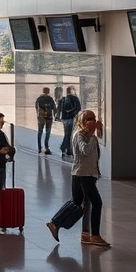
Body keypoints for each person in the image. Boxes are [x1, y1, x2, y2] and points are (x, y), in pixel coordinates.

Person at [46, 110, 109, 247]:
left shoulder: (88, 135)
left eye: (93, 119)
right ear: (83, 122)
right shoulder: (80, 135)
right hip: (83, 174)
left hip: (87, 174)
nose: (92, 122)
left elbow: (97, 150)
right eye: (89, 119)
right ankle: (95, 235)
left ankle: (56, 223)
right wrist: (93, 136)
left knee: (77, 202)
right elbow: (85, 150)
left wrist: (97, 133)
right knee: (96, 203)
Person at [57, 87, 81, 156]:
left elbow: (59, 109)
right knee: (70, 134)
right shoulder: (75, 98)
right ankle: (67, 149)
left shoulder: (63, 99)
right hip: (72, 118)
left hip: (64, 119)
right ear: (72, 91)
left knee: (67, 133)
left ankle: (64, 147)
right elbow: (78, 108)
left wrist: (59, 117)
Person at [35, 87, 56, 155]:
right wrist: (55, 115)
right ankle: (46, 147)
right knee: (47, 132)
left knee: (40, 132)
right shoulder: (50, 99)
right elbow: (54, 107)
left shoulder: (39, 98)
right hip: (49, 117)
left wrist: (38, 115)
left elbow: (36, 107)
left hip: (41, 117)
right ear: (48, 91)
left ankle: (39, 148)